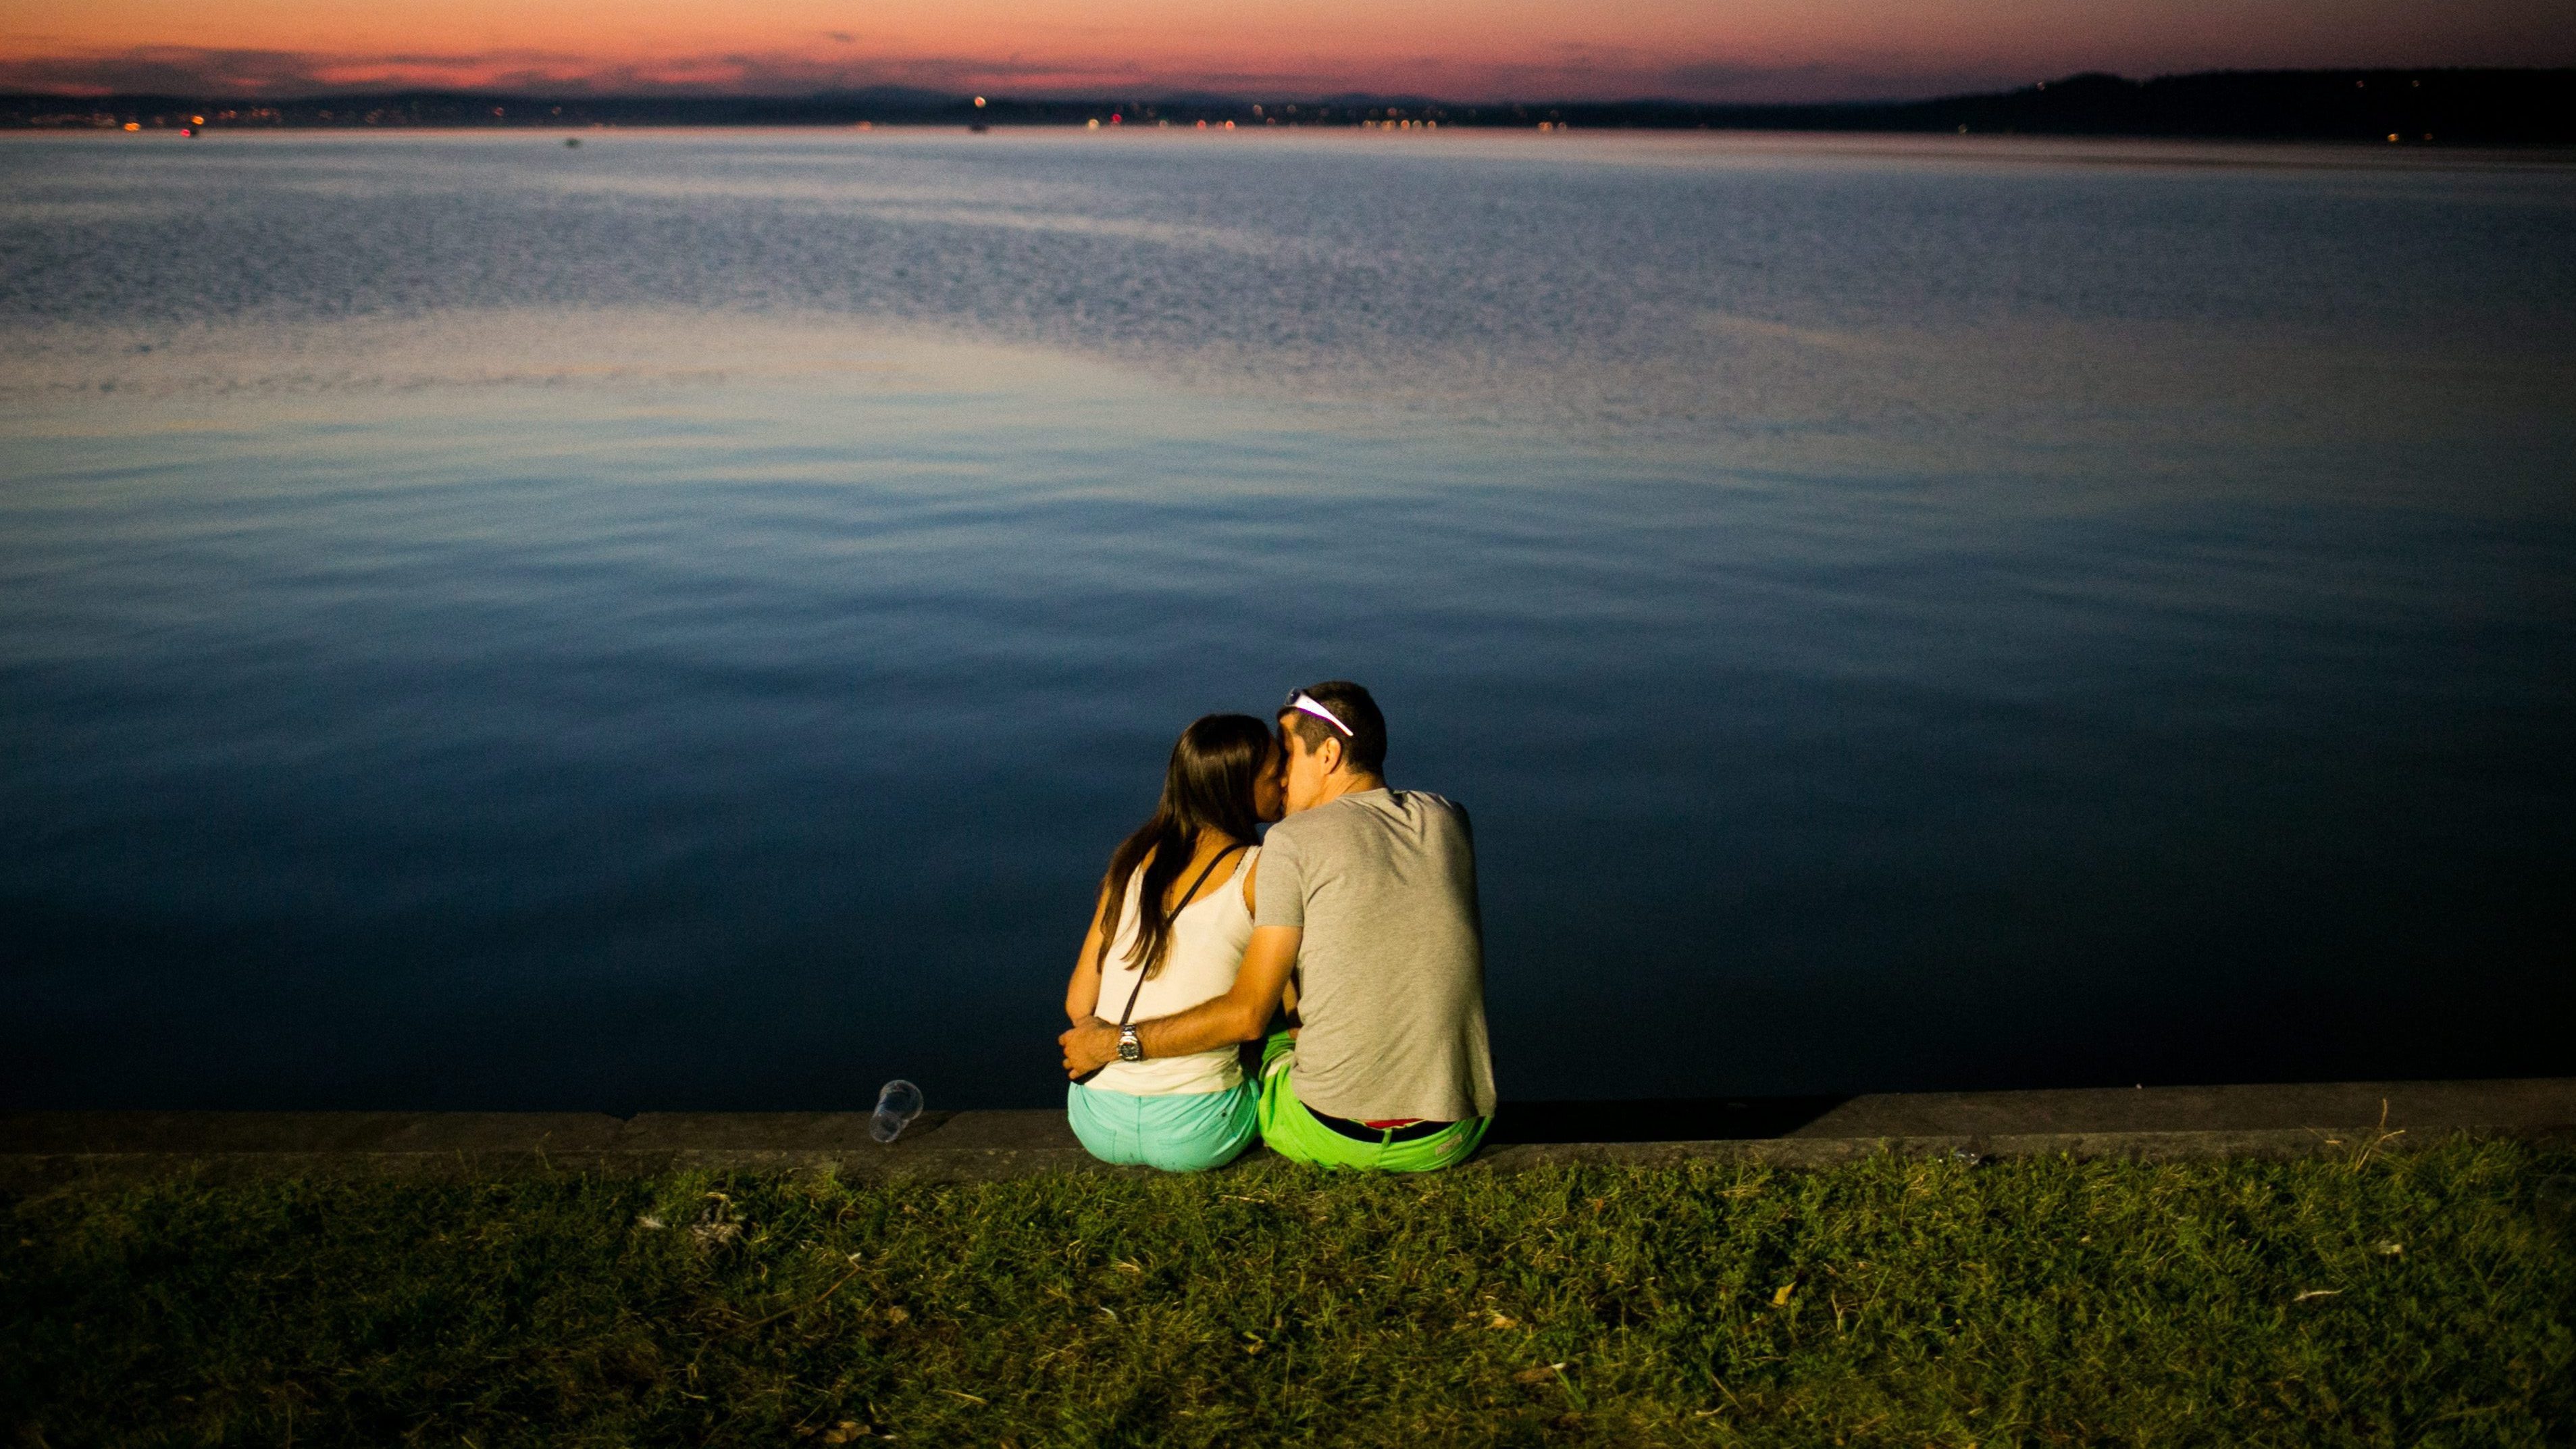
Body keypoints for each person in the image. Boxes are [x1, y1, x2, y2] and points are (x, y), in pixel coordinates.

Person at [1061, 681, 1495, 1171]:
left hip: (1328, 1135)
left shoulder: (1287, 841)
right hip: (1451, 1133)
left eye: (1287, 755)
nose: (1283, 778)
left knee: (1269, 1030)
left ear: (1329, 753)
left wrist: (1110, 1041)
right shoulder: (1449, 818)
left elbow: (1246, 1014)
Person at [1060, 713, 1284, 1171]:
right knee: (1284, 1048)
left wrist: (1112, 1044)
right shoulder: (1261, 870)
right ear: (1235, 789)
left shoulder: (1131, 861)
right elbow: (1252, 1018)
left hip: (1096, 1119)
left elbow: (1079, 1002)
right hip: (1201, 1128)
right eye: (1273, 774)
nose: (1285, 781)